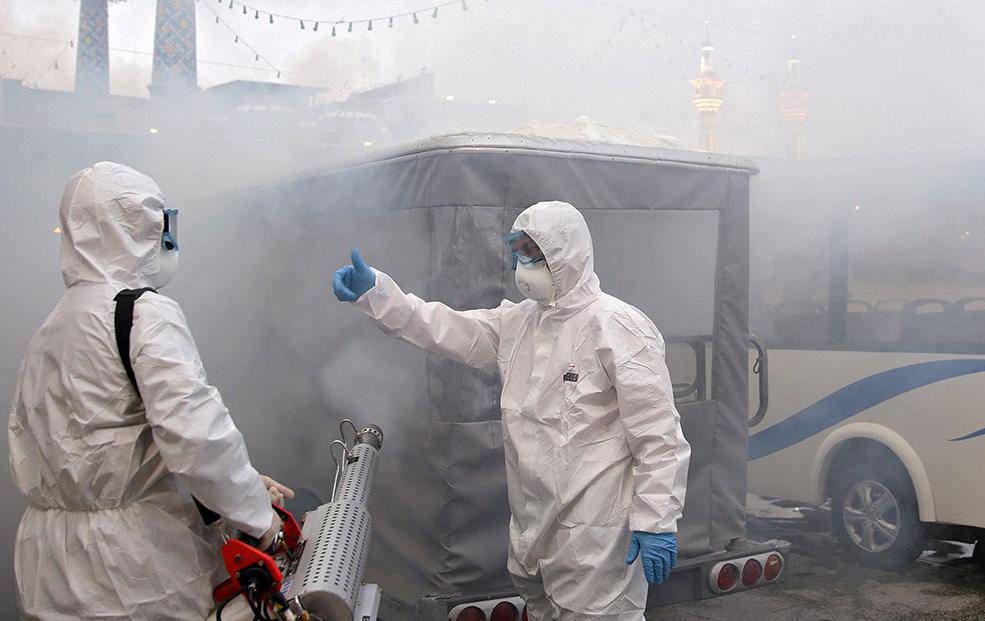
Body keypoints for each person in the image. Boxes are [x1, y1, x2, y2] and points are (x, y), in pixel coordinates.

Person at [333, 200, 691, 620]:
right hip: (532, 530)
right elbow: (441, 326)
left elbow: (658, 437)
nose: (521, 262)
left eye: (531, 251)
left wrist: (655, 520)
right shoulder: (518, 324)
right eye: (517, 250)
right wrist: (375, 293)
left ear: (565, 253)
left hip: (597, 534)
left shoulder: (619, 327)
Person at [8, 162, 292, 620]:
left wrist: (237, 486)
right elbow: (197, 437)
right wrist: (259, 517)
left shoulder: (53, 327)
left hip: (51, 560)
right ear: (137, 228)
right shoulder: (142, 313)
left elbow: (97, 446)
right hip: (133, 567)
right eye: (160, 225)